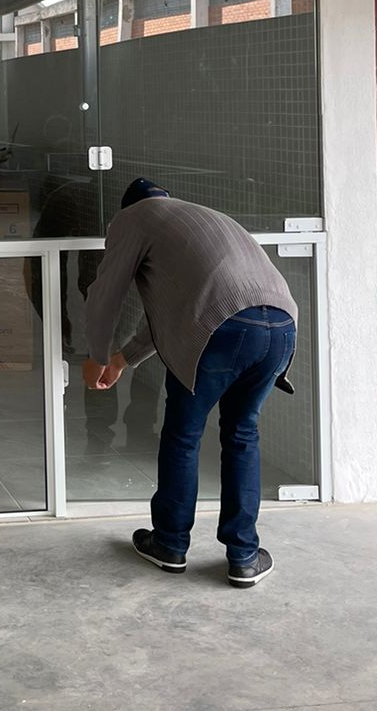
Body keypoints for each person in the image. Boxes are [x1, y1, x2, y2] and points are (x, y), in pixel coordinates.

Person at [82, 178, 297, 588]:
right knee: (242, 433)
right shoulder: (197, 218)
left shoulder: (134, 218)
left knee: (183, 436)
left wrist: (96, 355)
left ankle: (169, 543)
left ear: (127, 209)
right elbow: (182, 310)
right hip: (281, 325)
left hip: (222, 329)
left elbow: (106, 293)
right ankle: (244, 556)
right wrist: (122, 359)